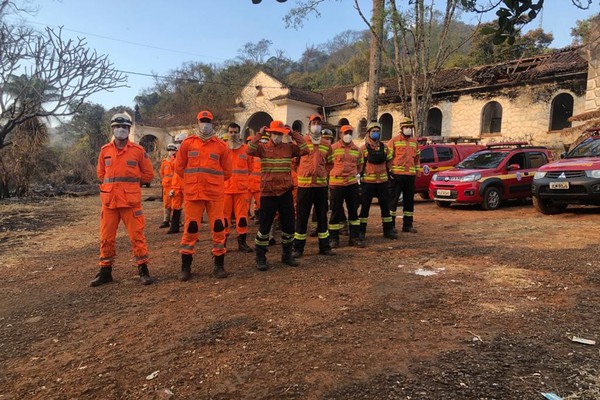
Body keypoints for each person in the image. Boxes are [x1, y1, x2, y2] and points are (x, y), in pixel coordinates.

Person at [91, 112, 155, 287]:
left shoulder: (138, 151)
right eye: (118, 127)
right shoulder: (105, 151)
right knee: (106, 238)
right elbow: (100, 174)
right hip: (110, 202)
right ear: (113, 129)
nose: (121, 130)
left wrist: (132, 184)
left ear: (129, 129)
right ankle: (105, 272)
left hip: (130, 202)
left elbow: (149, 175)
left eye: (125, 127)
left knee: (137, 237)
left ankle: (143, 271)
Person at [175, 110, 232, 281]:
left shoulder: (221, 146)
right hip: (193, 194)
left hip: (214, 194)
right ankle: (186, 267)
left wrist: (211, 181)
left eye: (208, 121)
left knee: (218, 228)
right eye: (202, 121)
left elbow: (227, 172)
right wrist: (193, 180)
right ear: (197, 122)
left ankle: (219, 265)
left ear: (212, 123)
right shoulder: (187, 144)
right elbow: (179, 167)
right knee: (191, 228)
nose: (205, 124)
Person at [247, 120, 308, 271]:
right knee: (265, 227)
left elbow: (305, 149)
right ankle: (260, 257)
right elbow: (249, 150)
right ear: (269, 133)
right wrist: (259, 134)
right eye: (274, 133)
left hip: (285, 192)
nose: (277, 136)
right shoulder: (262, 148)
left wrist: (294, 134)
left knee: (288, 226)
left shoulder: (289, 148)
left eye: (280, 134)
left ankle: (286, 255)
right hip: (268, 193)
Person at [293, 114, 335, 258]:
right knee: (302, 217)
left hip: (321, 186)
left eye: (318, 123)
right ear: (309, 125)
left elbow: (330, 163)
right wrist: (303, 173)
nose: (316, 125)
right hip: (304, 186)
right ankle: (298, 248)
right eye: (314, 122)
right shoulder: (302, 142)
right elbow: (294, 163)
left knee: (322, 217)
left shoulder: (326, 144)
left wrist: (322, 173)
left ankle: (325, 246)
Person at [358, 122, 398, 243]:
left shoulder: (385, 147)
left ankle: (388, 231)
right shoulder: (363, 149)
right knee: (365, 208)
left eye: (377, 131)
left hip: (382, 182)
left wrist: (389, 172)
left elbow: (390, 160)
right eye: (373, 131)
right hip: (368, 182)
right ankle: (361, 232)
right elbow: (360, 164)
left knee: (385, 207)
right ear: (369, 133)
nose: (376, 133)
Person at [328, 125, 363, 248]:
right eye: (345, 133)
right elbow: (327, 164)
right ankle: (333, 239)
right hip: (336, 185)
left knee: (353, 211)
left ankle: (354, 238)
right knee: (335, 212)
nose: (348, 135)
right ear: (340, 135)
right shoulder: (332, 148)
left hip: (351, 184)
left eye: (350, 132)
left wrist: (352, 175)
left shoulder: (357, 149)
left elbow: (360, 165)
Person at [223, 122, 254, 253]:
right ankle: (221, 243)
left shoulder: (246, 149)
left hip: (241, 190)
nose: (233, 135)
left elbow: (250, 168)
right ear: (227, 133)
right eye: (231, 132)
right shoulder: (222, 149)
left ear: (239, 133)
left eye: (235, 132)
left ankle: (242, 242)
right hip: (225, 190)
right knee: (224, 219)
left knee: (242, 218)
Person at [388, 117, 421, 233]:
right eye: (407, 127)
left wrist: (417, 171)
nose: (409, 129)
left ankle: (407, 225)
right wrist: (390, 172)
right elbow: (389, 158)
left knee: (409, 201)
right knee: (393, 201)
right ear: (401, 128)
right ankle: (390, 226)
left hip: (410, 176)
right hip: (397, 175)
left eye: (410, 127)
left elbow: (417, 158)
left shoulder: (414, 142)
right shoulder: (394, 141)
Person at [167, 133, 187, 234]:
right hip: (176, 185)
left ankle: (190, 231)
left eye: (180, 142)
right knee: (175, 206)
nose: (178, 144)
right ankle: (174, 227)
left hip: (186, 184)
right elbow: (172, 170)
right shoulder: (174, 157)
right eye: (177, 142)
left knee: (189, 208)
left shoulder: (189, 154)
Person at [159, 144, 178, 228]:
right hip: (166, 186)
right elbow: (162, 173)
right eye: (169, 150)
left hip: (175, 186)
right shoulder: (164, 162)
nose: (171, 152)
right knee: (167, 204)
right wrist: (164, 182)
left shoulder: (177, 161)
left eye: (172, 150)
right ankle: (166, 220)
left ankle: (177, 221)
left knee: (176, 204)